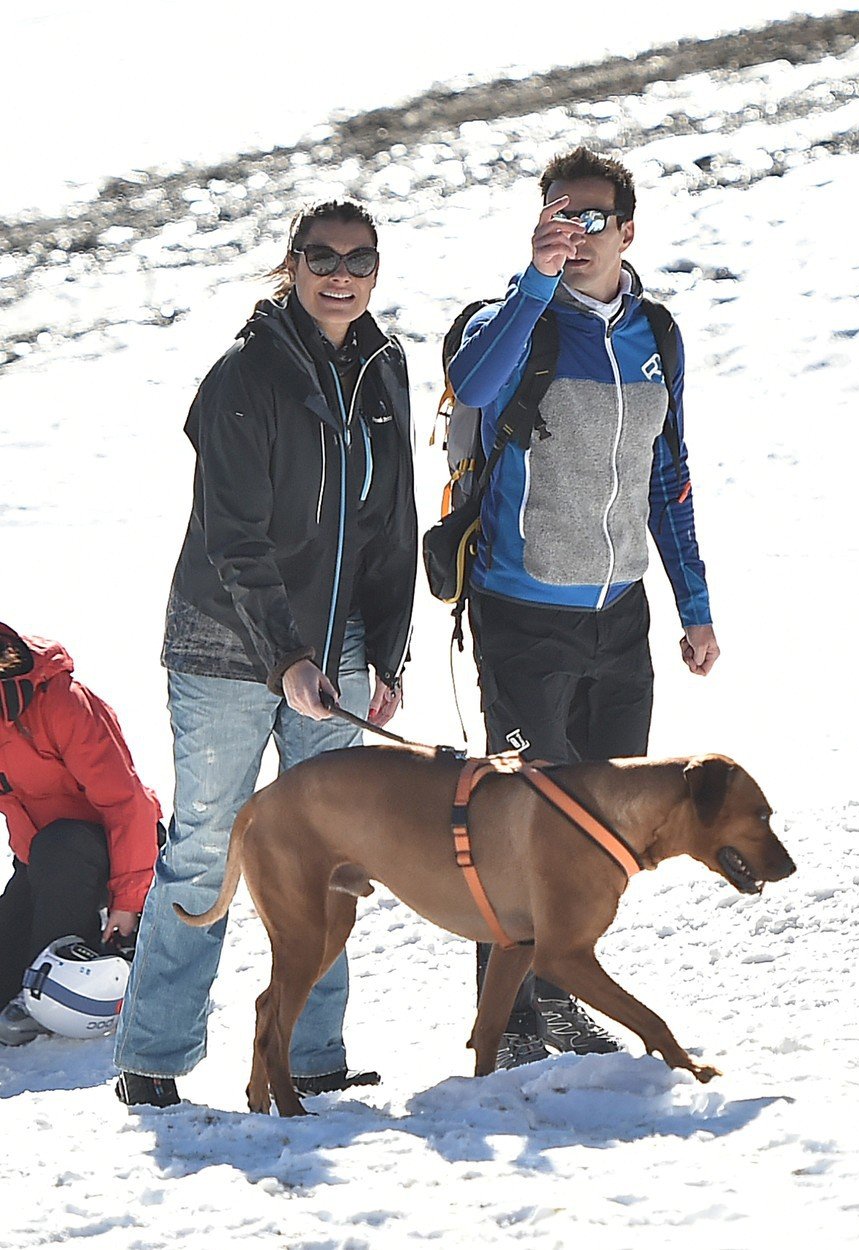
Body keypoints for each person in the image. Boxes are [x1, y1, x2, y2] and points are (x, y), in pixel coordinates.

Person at [114, 200, 417, 1108]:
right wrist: (286, 655)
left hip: (338, 647)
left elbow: (390, 524)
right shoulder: (243, 377)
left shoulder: (384, 367)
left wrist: (385, 653)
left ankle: (314, 1053)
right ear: (291, 265)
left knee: (328, 853)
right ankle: (154, 1057)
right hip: (227, 649)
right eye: (321, 256)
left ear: (374, 270)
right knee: (209, 847)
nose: (340, 273)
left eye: (358, 259)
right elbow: (231, 537)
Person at [448, 146, 720, 1069]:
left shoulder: (658, 334)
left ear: (628, 229)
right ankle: (512, 1022)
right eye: (559, 214)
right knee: (520, 819)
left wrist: (693, 603)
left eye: (593, 217)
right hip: (520, 609)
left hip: (620, 614)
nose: (575, 230)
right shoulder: (506, 322)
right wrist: (534, 283)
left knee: (596, 821)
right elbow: (473, 389)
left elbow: (667, 472)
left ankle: (558, 998)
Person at [0, 623, 161, 1045]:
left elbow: (129, 805)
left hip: (121, 849)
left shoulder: (62, 703)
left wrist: (127, 902)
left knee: (61, 845)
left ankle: (50, 993)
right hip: (46, 860)